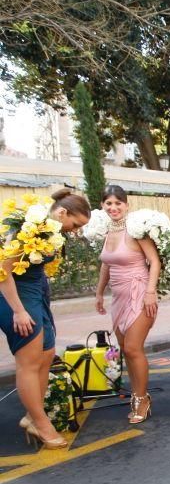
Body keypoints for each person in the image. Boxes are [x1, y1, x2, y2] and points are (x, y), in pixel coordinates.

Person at [3, 190, 90, 448]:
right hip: (16, 298)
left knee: (46, 354)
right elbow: (2, 271)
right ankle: (42, 424)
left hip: (35, 294)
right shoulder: (28, 228)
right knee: (29, 363)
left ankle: (33, 416)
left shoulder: (51, 231)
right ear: (62, 213)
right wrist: (18, 310)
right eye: (75, 225)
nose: (75, 231)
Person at [95, 184, 162, 424]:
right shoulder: (107, 232)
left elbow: (154, 261)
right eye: (108, 203)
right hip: (119, 296)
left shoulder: (136, 230)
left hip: (139, 292)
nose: (113, 207)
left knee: (134, 348)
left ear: (126, 205)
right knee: (126, 350)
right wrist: (100, 293)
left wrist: (150, 292)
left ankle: (142, 398)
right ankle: (136, 394)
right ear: (103, 205)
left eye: (118, 203)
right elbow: (106, 265)